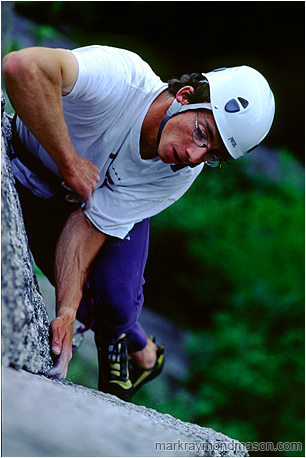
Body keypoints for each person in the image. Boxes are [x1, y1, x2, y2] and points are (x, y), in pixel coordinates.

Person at [3, 45, 275, 401]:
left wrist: (65, 313)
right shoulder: (121, 78)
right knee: (91, 302)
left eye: (212, 156)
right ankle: (145, 352)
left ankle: (128, 345)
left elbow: (88, 226)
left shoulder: (179, 174)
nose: (194, 158)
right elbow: (22, 67)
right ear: (184, 96)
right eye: (202, 134)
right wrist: (69, 163)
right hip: (37, 177)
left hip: (81, 207)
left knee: (112, 299)